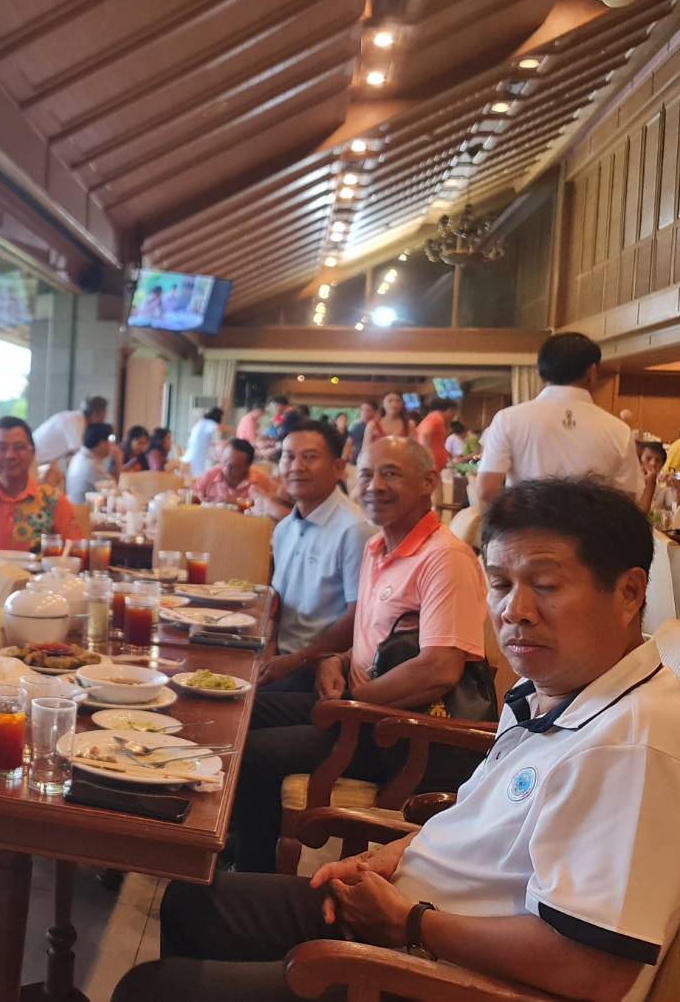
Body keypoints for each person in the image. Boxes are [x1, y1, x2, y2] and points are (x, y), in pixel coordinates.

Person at [115, 478, 680, 1002]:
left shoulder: (631, 745)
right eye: (502, 585)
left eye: (546, 586)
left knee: (154, 989)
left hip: (442, 973)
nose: (515, 611)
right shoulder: (553, 688)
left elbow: (595, 969)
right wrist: (384, 859)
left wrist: (410, 923)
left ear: (630, 593)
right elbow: (477, 824)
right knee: (193, 901)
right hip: (413, 913)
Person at [227, 436, 489, 873]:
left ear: (428, 482)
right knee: (242, 709)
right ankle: (238, 844)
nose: (374, 486)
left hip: (395, 731)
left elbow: (440, 669)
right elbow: (372, 637)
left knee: (255, 751)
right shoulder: (378, 547)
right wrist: (336, 660)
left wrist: (353, 703)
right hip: (356, 709)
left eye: (391, 474)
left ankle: (252, 877)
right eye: (366, 474)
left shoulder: (445, 558)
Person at [257, 422, 377, 690]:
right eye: (288, 456)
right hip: (281, 658)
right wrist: (270, 648)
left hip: (322, 670)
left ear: (338, 467)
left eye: (309, 457)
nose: (296, 467)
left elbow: (358, 620)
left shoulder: (355, 530)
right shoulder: (285, 528)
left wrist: (294, 661)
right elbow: (279, 602)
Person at [477, 332, 643, 506]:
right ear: (592, 371)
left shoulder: (508, 420)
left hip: (526, 522)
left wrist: (525, 516)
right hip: (590, 523)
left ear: (540, 372)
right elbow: (628, 499)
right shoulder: (619, 430)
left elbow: (486, 490)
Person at [0, 416, 84, 556]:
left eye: (19, 447)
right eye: (1, 448)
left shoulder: (53, 500)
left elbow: (75, 555)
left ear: (33, 453)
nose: (10, 455)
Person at [32, 395, 109, 467]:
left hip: (41, 462)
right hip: (34, 463)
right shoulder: (75, 423)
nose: (103, 422)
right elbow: (81, 459)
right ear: (95, 415)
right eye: (103, 418)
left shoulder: (75, 418)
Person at [192, 438, 273, 505]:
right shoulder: (211, 475)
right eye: (224, 462)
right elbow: (193, 493)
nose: (226, 469)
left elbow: (270, 508)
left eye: (233, 467)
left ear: (248, 466)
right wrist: (197, 497)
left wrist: (237, 502)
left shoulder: (261, 481)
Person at [65, 422, 115, 502]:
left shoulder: (80, 456)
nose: (112, 445)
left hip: (76, 506)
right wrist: (118, 459)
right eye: (110, 441)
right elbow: (114, 492)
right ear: (102, 443)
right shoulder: (91, 465)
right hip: (83, 508)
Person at [417, 396, 459, 471]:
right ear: (450, 410)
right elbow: (424, 436)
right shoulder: (436, 419)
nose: (454, 416)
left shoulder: (436, 419)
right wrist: (428, 461)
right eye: (454, 413)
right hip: (431, 467)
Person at [185, 408, 223, 475]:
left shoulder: (200, 424)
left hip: (192, 458)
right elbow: (217, 443)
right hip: (204, 461)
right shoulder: (212, 426)